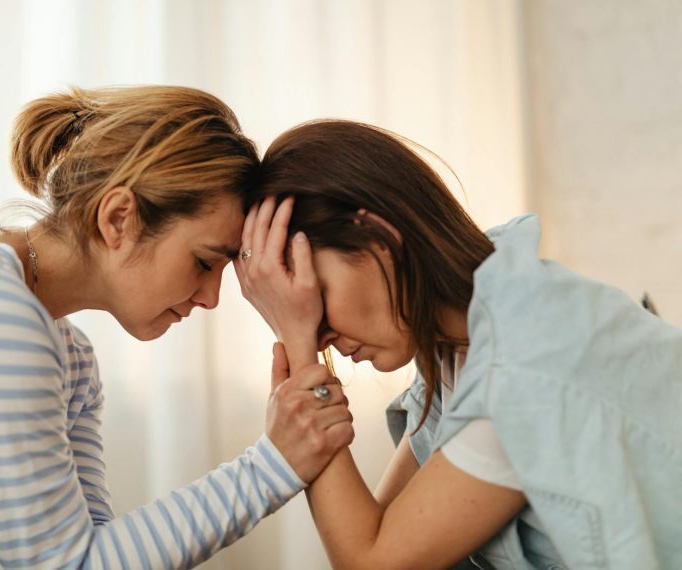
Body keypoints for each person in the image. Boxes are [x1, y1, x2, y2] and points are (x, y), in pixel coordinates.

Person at [0, 87, 354, 568]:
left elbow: (97, 548)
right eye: (205, 261)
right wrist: (273, 464)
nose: (212, 298)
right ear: (119, 218)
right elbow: (66, 564)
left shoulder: (69, 359)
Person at [236, 119, 682, 569]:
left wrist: (296, 346)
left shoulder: (523, 359)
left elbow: (370, 561)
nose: (316, 332)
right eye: (295, 312)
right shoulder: (459, 346)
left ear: (379, 238)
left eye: (314, 300)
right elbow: (381, 528)